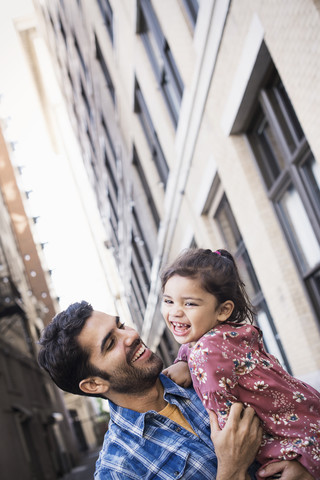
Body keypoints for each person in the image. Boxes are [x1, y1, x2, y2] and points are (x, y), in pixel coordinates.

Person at [38, 301, 313, 480]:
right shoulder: (119, 471)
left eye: (120, 325)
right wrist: (232, 470)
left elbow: (299, 409)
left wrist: (307, 463)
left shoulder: (207, 368)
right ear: (94, 384)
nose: (131, 335)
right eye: (110, 343)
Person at [161, 248, 320, 480]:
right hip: (308, 417)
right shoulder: (232, 333)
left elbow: (229, 423)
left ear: (223, 310)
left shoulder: (204, 354)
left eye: (190, 304)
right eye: (168, 300)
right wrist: (184, 358)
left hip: (288, 441)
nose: (175, 311)